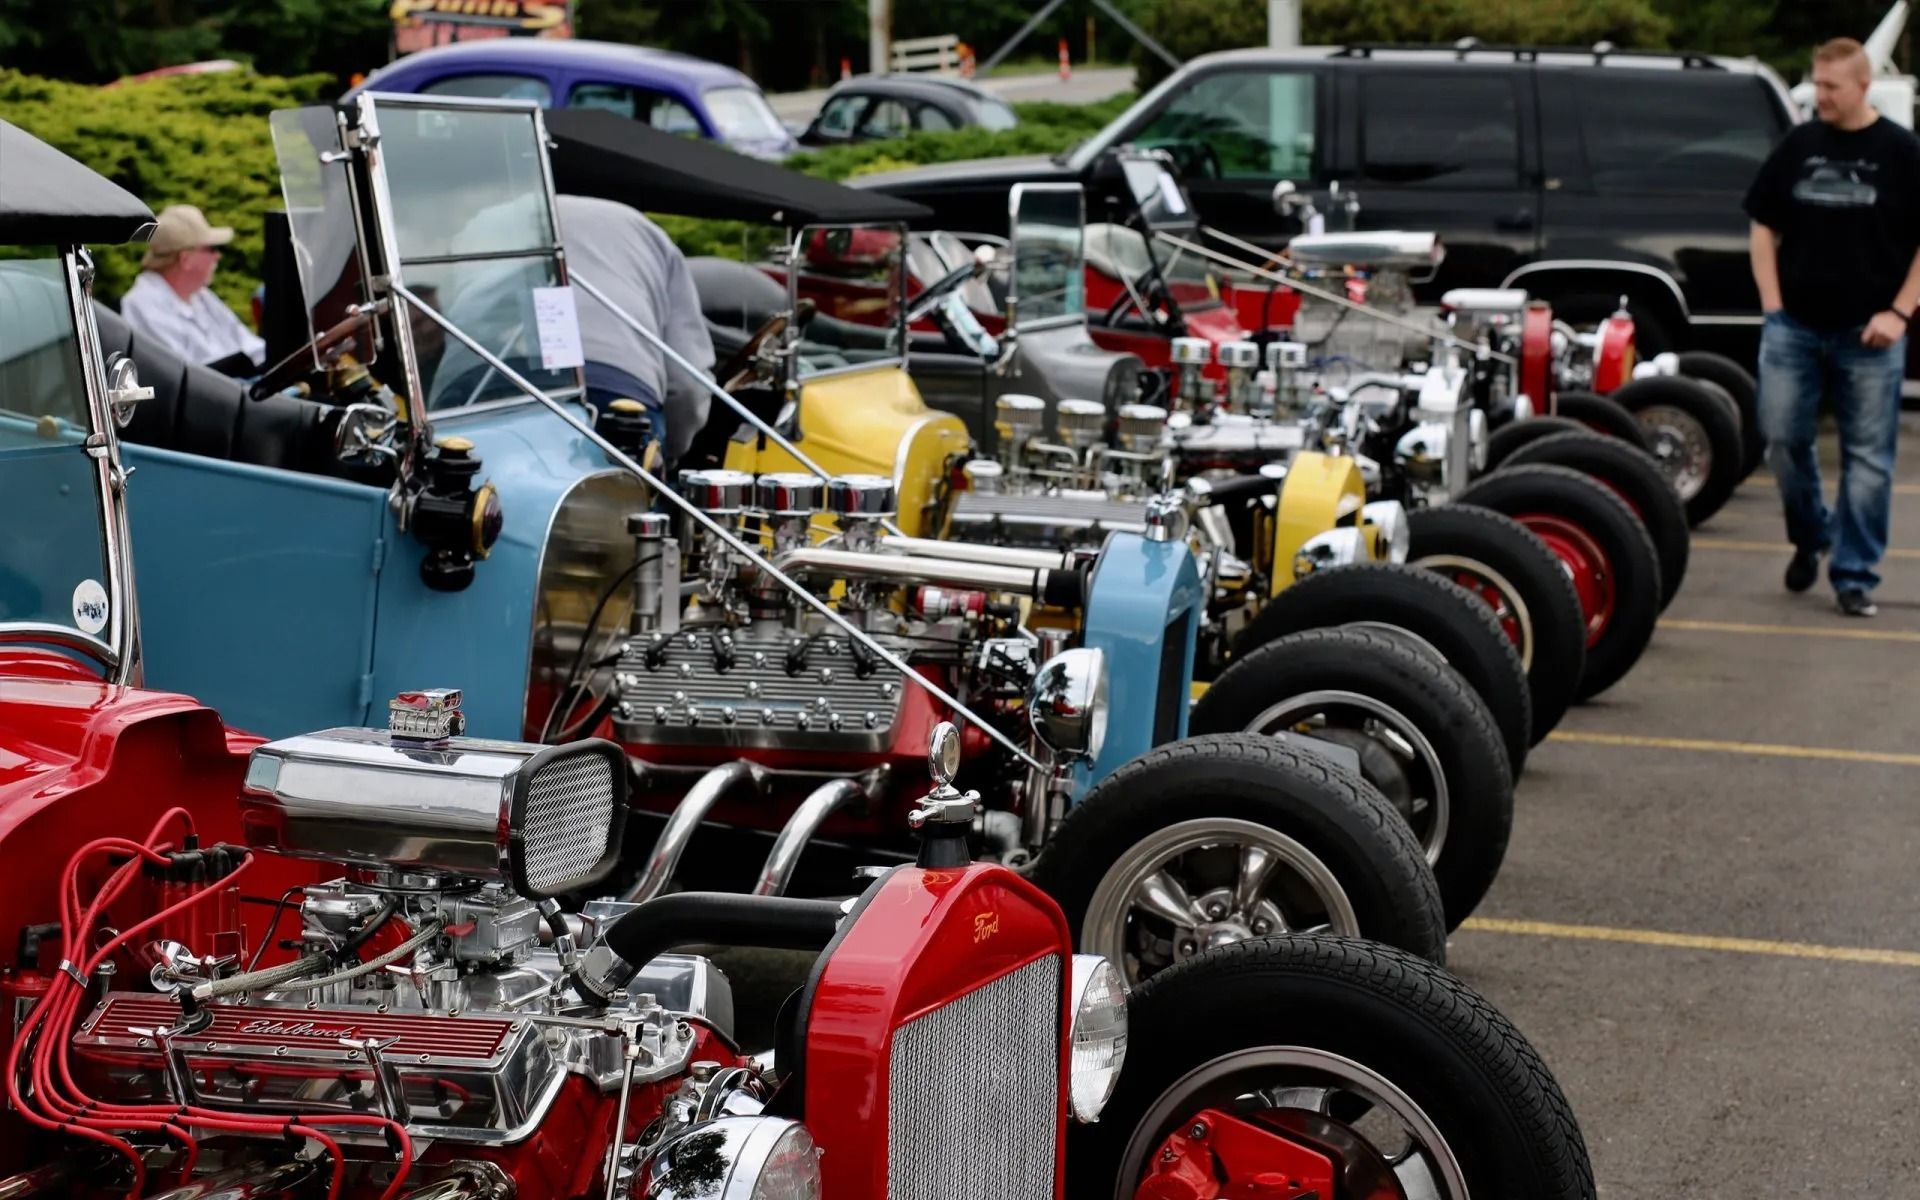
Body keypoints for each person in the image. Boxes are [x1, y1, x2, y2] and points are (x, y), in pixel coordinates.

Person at [1746, 37, 1920, 617]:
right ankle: (1811, 534)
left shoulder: (1901, 151)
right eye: (1816, 84)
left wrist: (1899, 313)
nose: (1818, 95)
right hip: (1794, 328)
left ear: (1862, 87)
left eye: (1830, 87)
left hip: (1869, 337)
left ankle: (1854, 575)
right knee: (1782, 441)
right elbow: (1762, 226)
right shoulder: (1801, 144)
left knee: (1868, 461)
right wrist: (1773, 308)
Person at [553, 194, 716, 465]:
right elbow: (687, 384)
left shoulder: (495, 219)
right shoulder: (645, 230)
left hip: (496, 394)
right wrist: (672, 452)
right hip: (624, 394)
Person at [119, 204, 265, 376]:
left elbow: (253, 348)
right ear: (185, 258)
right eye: (211, 249)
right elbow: (183, 379)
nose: (217, 256)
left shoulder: (200, 296)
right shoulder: (142, 304)